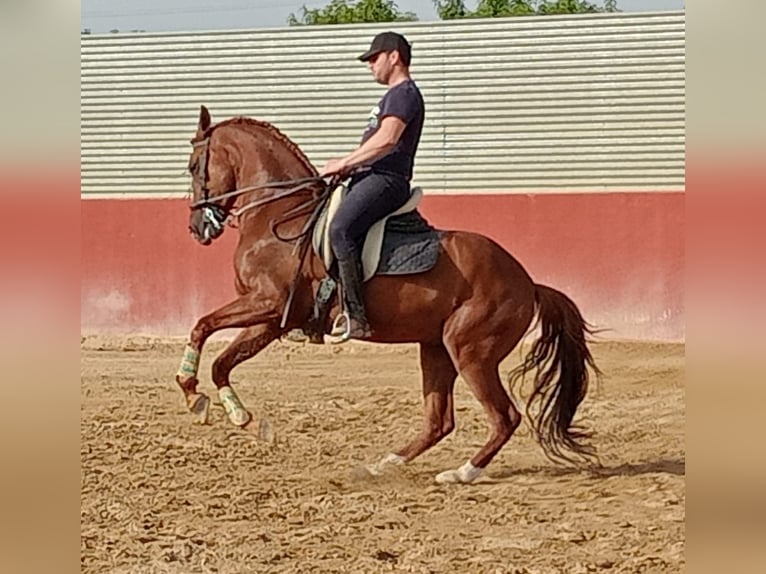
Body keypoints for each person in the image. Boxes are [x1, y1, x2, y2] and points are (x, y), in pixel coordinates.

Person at [320, 31, 425, 343]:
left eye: (374, 58)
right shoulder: (390, 96)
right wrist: (350, 166)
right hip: (369, 176)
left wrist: (345, 162)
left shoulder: (403, 93)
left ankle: (356, 315)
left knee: (340, 229)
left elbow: (388, 138)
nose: (370, 65)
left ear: (394, 57)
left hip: (386, 179)